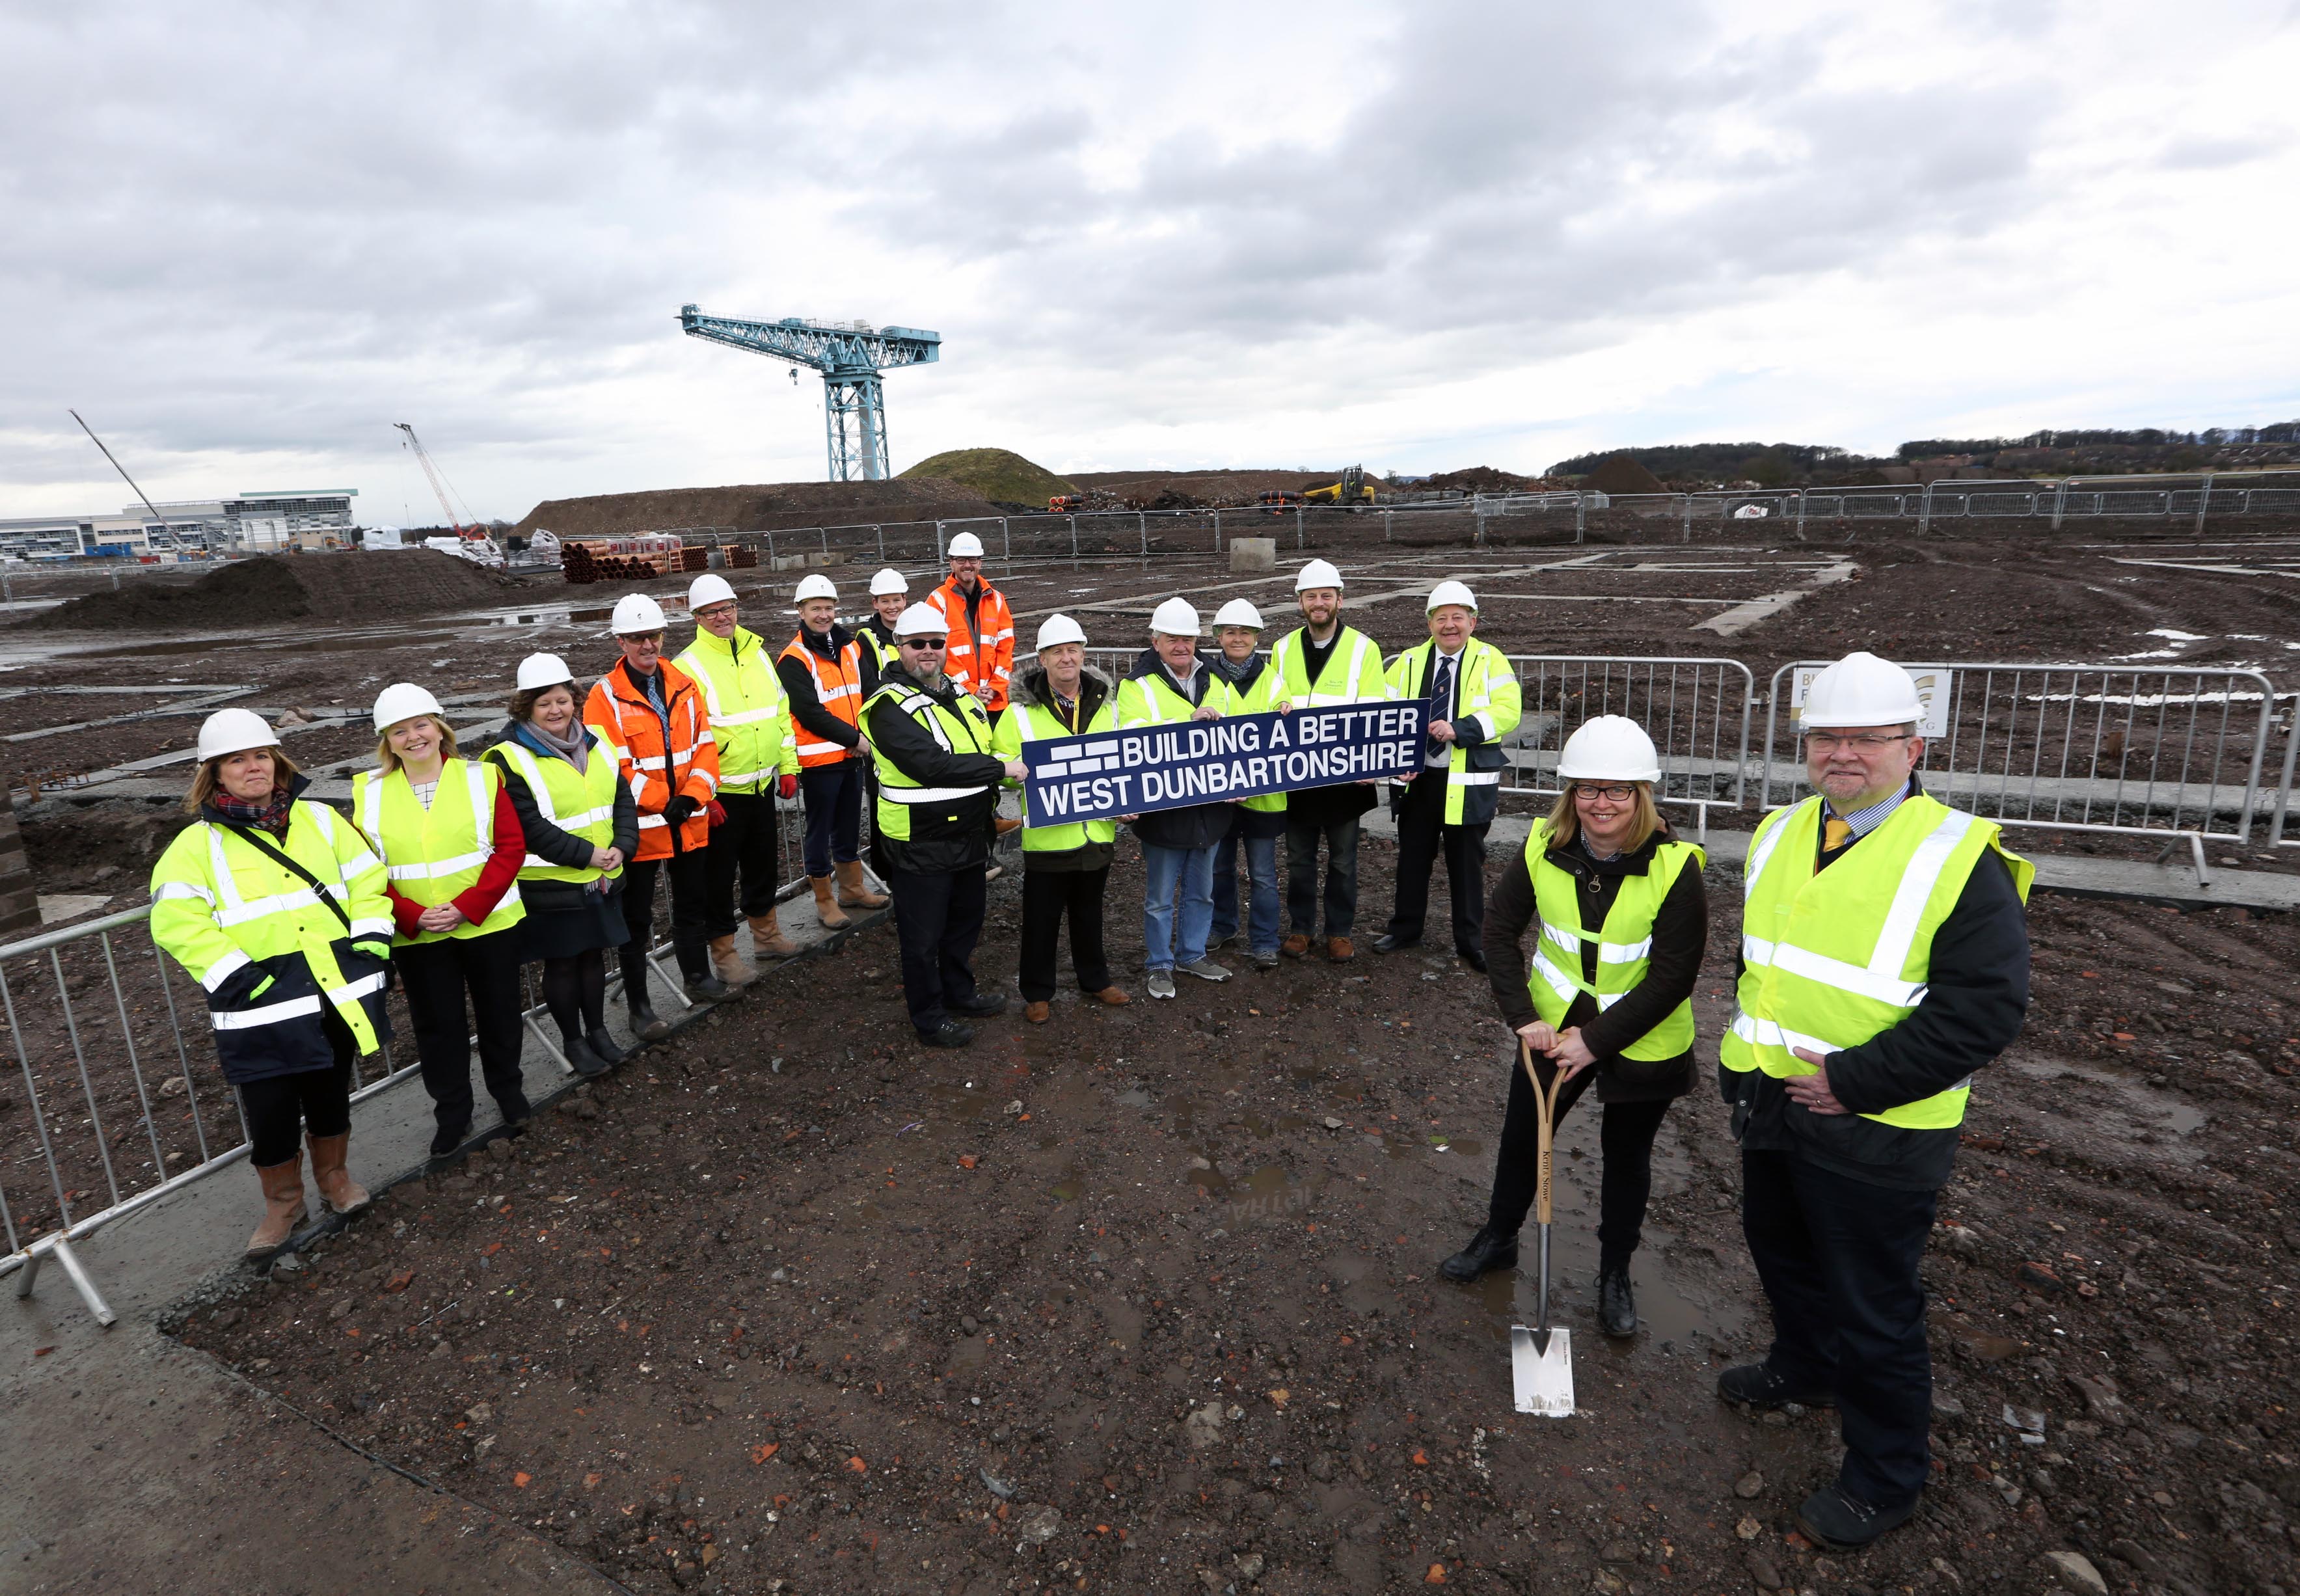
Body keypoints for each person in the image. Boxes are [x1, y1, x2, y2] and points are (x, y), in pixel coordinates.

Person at [1720, 651, 2031, 1552]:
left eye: (1865, 737)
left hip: (1880, 1130)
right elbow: (1762, 965)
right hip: (1774, 1106)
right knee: (1780, 1255)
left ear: (1912, 744)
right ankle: (1801, 1367)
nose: (1841, 753)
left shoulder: (1957, 857)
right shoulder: (1782, 832)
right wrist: (1746, 1066)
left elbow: (1982, 1011)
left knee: (1873, 1306)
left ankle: (1884, 1474)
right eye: (1825, 736)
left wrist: (1852, 1082)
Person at [1445, 717, 1707, 1343]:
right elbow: (1498, 933)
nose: (1601, 803)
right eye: (1588, 789)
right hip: (1550, 1029)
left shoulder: (1676, 868)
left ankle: (1613, 1273)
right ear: (1570, 794)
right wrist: (1522, 1017)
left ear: (1641, 796)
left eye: (1618, 791)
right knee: (1521, 1138)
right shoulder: (1542, 845)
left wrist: (1594, 1041)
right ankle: (1499, 1236)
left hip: (1643, 1038)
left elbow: (1672, 977)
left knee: (1626, 1158)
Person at [151, 709, 392, 1261]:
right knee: (272, 1110)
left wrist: (372, 941)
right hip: (260, 1002)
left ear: (277, 761)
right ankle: (283, 1202)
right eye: (237, 760)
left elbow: (368, 883)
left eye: (260, 755)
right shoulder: (195, 846)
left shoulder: (322, 820)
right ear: (214, 774)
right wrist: (243, 978)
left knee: (330, 1092)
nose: (252, 767)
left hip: (331, 989)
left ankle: (335, 1179)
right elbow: (176, 922)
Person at [354, 683, 532, 1159]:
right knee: (438, 1027)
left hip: (487, 924)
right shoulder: (367, 794)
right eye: (400, 731)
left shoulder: (482, 777)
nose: (414, 737)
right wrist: (412, 915)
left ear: (439, 727)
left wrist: (468, 905)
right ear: (386, 741)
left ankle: (508, 1094)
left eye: (421, 725)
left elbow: (510, 847)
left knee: (499, 1015)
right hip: (419, 935)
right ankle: (452, 1113)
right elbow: (364, 870)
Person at [861, 601, 1026, 1047]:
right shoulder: (885, 706)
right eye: (918, 644)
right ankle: (929, 1018)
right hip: (920, 839)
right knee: (921, 937)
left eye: (936, 643)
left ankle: (959, 993)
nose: (928, 651)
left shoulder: (959, 695)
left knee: (964, 923)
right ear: (899, 647)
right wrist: (1000, 769)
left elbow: (985, 741)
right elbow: (932, 765)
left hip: (969, 833)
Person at [585, 592, 739, 1038]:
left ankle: (698, 975)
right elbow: (611, 765)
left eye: (652, 635)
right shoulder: (604, 697)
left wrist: (692, 797)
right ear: (621, 642)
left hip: (687, 821)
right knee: (636, 921)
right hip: (640, 830)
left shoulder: (684, 685)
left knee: (692, 904)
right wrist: (659, 799)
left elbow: (706, 748)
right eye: (637, 638)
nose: (647, 645)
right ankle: (639, 1006)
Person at [482, 653, 639, 1077]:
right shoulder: (506, 757)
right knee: (563, 962)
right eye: (543, 703)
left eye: (562, 700)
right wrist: (589, 855)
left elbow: (621, 797)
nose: (556, 710)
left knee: (592, 957)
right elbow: (528, 826)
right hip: (550, 882)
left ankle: (599, 1032)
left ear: (574, 699)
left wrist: (623, 845)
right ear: (525, 708)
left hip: (602, 875)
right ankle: (573, 1039)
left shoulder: (597, 740)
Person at [1375, 580, 1521, 971]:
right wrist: (1395, 760)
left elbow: (1509, 710)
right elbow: (1388, 716)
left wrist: (1461, 728)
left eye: (1458, 617)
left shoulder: (1491, 660)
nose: (1449, 625)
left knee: (1466, 865)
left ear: (1473, 622)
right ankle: (1405, 929)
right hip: (1417, 779)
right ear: (1430, 623)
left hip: (1467, 781)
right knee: (1412, 859)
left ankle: (1472, 942)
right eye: (1442, 618)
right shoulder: (1406, 662)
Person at [994, 614, 1130, 1022]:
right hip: (1049, 840)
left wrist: (1128, 800)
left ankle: (1095, 979)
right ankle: (1037, 992)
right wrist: (1015, 771)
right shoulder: (1018, 714)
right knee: (1041, 920)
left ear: (1083, 654)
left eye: (1072, 650)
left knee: (1090, 914)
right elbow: (999, 760)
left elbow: (1125, 761)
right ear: (1042, 659)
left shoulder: (1108, 705)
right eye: (1057, 652)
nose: (1066, 658)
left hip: (1097, 833)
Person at [675, 573, 802, 983]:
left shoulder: (758, 652)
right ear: (696, 616)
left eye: (726, 608)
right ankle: (725, 953)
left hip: (763, 784)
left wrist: (788, 765)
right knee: (718, 876)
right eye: (710, 612)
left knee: (763, 865)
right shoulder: (686, 666)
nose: (721, 617)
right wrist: (702, 795)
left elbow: (779, 713)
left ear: (735, 608)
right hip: (722, 793)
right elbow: (688, 738)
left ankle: (766, 936)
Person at [1268, 558, 1390, 961]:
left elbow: (1374, 711)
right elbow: (1272, 702)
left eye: (1325, 596)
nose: (1318, 603)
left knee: (1343, 861)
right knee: (1299, 860)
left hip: (1344, 778)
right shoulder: (1282, 649)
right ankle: (1301, 929)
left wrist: (1370, 764)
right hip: (1299, 777)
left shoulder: (1364, 648)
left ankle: (1339, 931)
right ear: (1300, 602)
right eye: (1310, 597)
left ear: (1340, 599)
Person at [1114, 598, 1234, 1000]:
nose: (1181, 646)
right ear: (1155, 641)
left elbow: (1237, 732)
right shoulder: (1136, 684)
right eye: (1172, 639)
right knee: (1160, 899)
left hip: (1209, 808)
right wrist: (1187, 722)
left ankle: (1192, 953)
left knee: (1202, 892)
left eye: (1187, 639)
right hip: (1163, 811)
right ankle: (1159, 964)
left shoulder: (1215, 679)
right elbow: (1133, 735)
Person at [775, 573, 887, 929]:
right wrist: (854, 739)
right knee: (819, 832)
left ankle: (852, 889)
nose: (823, 615)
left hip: (852, 757)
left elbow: (871, 692)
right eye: (815, 609)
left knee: (849, 826)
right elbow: (809, 712)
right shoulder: (794, 659)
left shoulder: (850, 648)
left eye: (828, 608)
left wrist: (863, 737)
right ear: (801, 611)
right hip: (822, 760)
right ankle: (824, 900)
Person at [1202, 598, 1285, 971]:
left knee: (1263, 875)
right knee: (1219, 869)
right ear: (1219, 636)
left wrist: (1287, 710)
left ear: (1256, 638)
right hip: (1219, 797)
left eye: (1245, 633)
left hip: (1264, 800)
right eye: (1231, 632)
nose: (1238, 639)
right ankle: (1223, 926)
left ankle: (1266, 941)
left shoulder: (1273, 679)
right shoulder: (1205, 677)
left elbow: (1287, 731)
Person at [924, 532, 1015, 722]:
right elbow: (936, 651)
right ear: (952, 563)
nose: (967, 565)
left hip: (995, 701)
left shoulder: (996, 599)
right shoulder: (938, 600)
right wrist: (970, 688)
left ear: (980, 563)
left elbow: (1006, 648)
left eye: (973, 559)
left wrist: (995, 687)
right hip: (956, 701)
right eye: (961, 560)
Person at [859, 567, 909, 671]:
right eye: (885, 601)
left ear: (904, 601)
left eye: (896, 600)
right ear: (875, 603)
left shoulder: (917, 630)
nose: (892, 607)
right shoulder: (866, 638)